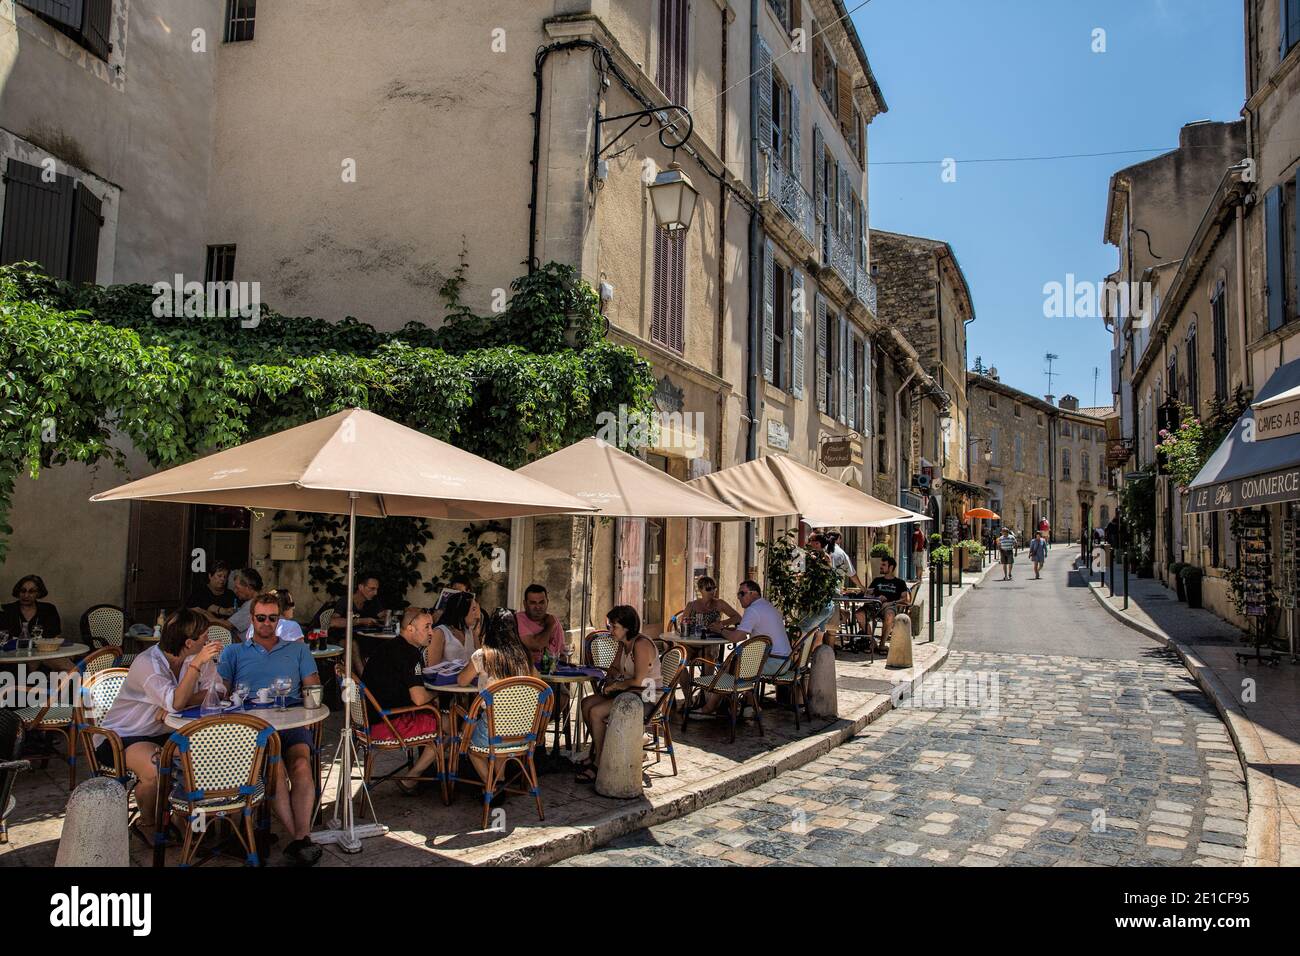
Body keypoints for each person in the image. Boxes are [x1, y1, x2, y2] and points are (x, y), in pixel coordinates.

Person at [93, 609, 222, 843]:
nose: (209, 641)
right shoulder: (148, 663)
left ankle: (184, 819)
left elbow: (219, 690)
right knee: (156, 771)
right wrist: (180, 698)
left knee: (204, 760)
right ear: (189, 642)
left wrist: (180, 703)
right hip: (122, 736)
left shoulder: (194, 657)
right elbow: (175, 702)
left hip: (167, 732)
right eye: (205, 636)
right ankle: (148, 823)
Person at [216, 592, 322, 865]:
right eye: (260, 618)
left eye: (271, 618)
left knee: (300, 765)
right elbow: (219, 695)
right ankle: (301, 839)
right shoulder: (234, 652)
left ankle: (301, 838)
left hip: (291, 723)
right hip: (251, 730)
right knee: (276, 769)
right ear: (252, 619)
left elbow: (313, 687)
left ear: (279, 619)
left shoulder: (297, 649)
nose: (266, 623)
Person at [359, 606, 441, 794]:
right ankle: (412, 778)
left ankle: (420, 774)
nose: (431, 632)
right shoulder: (410, 654)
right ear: (410, 629)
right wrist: (438, 694)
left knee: (436, 717)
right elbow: (419, 699)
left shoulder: (388, 647)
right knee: (448, 726)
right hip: (387, 724)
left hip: (367, 720)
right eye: (427, 627)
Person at [576, 605, 660, 782]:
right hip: (629, 692)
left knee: (596, 712)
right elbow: (614, 668)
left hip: (647, 696)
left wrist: (616, 686)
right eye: (609, 626)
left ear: (627, 627)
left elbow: (639, 681)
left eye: (614, 627)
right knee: (586, 704)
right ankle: (604, 752)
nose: (610, 630)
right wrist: (611, 679)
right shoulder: (623, 644)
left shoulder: (641, 644)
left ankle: (600, 762)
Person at [456, 608, 537, 785]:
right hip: (522, 731)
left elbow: (462, 681)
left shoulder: (483, 656)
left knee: (472, 749)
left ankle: (490, 785)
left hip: (492, 730)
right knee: (498, 743)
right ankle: (499, 780)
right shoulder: (524, 656)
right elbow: (537, 683)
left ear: (490, 629)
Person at [797, 536, 837, 649]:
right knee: (819, 635)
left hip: (815, 605)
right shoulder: (826, 557)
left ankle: (796, 662)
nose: (808, 543)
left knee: (802, 632)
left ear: (817, 544)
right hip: (827, 605)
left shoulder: (816, 558)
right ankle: (815, 661)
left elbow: (800, 577)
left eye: (810, 541)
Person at [864, 556, 911, 644]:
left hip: (890, 607)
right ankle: (872, 643)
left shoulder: (900, 583)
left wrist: (890, 603)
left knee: (889, 615)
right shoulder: (877, 580)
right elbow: (867, 594)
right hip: (875, 606)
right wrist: (877, 598)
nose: (881, 567)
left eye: (884, 565)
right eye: (881, 564)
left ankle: (882, 644)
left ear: (891, 567)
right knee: (859, 614)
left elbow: (906, 599)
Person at [1, 574, 62, 642]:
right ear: (18, 592)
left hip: (43, 651)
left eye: (31, 591)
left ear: (38, 593)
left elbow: (54, 636)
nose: (26, 595)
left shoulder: (48, 609)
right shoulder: (6, 610)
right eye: (23, 591)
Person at [673, 576, 741, 637]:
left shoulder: (719, 603)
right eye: (708, 589)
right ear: (700, 590)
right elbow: (683, 624)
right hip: (692, 639)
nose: (712, 591)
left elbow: (738, 618)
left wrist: (721, 623)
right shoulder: (691, 605)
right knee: (686, 649)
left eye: (714, 588)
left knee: (708, 649)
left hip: (711, 639)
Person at [425, 590, 478, 666]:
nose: (476, 614)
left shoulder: (471, 632)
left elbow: (480, 659)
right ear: (463, 610)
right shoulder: (440, 632)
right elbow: (432, 667)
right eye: (473, 609)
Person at [516, 584, 565, 666]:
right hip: (529, 674)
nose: (538, 607)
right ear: (525, 604)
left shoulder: (553, 620)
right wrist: (549, 625)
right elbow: (537, 645)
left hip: (552, 673)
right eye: (533, 603)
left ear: (547, 602)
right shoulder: (519, 619)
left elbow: (562, 653)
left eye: (541, 602)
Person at [226, 567, 263, 636]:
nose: (235, 591)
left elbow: (225, 626)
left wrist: (205, 614)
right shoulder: (259, 600)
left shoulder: (253, 604)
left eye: (237, 588)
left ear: (248, 587)